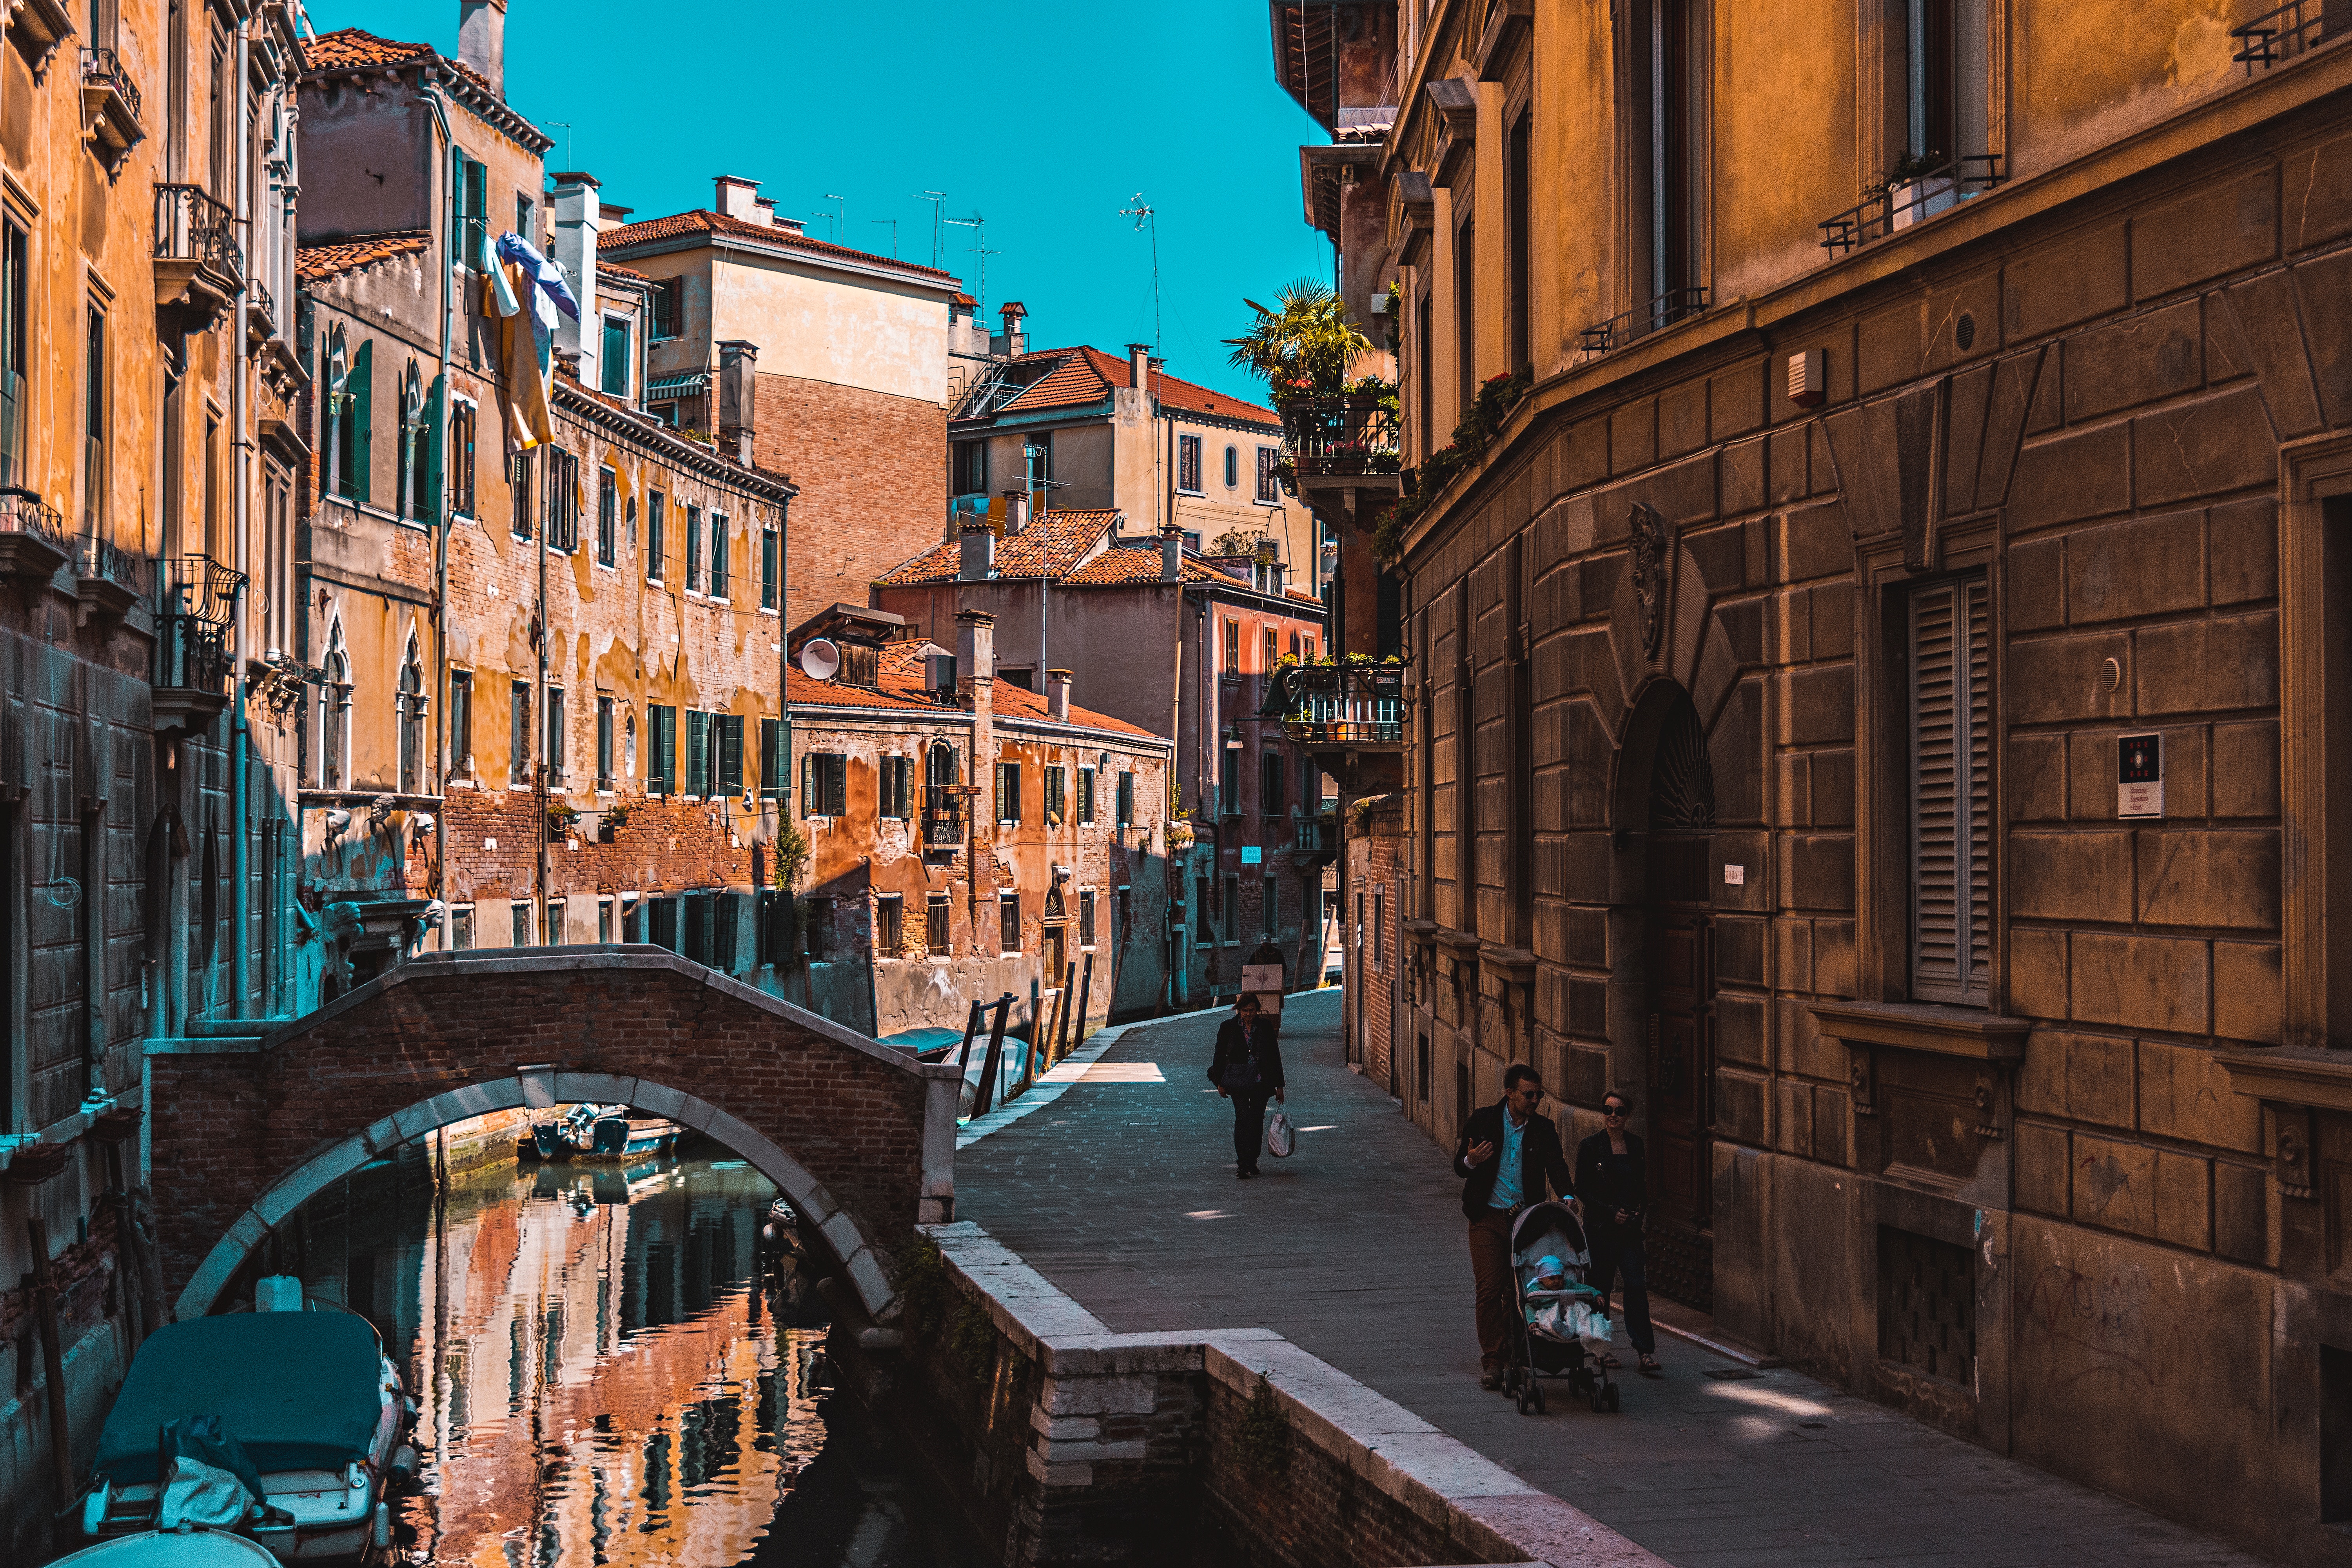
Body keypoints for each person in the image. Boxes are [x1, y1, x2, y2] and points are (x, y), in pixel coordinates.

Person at [1454, 1063, 1580, 1390]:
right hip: (1487, 1218)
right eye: (1528, 1094)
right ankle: (1494, 1360)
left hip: (1526, 1222)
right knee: (1490, 1289)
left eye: (1538, 1094)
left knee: (1519, 1291)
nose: (1535, 1100)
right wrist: (1472, 1161)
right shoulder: (1483, 1121)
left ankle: (1516, 1354)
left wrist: (1567, 1195)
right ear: (1510, 1093)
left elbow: (1557, 1165)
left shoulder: (1543, 1129)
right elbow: (1460, 1166)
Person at [1574, 1090, 1660, 1376]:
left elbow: (1642, 1186)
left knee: (1636, 1285)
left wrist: (1638, 1213)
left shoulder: (1635, 1145)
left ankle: (1645, 1351)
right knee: (1600, 1288)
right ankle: (1601, 1350)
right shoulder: (1591, 1146)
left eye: (1619, 1111)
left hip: (1629, 1231)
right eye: (1608, 1110)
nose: (1613, 1116)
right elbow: (1582, 1188)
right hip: (1601, 1228)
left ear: (1628, 1115)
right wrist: (1612, 1212)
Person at [1207, 994, 1285, 1179]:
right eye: (1244, 1011)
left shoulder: (1265, 1027)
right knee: (1242, 1118)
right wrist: (1219, 1083)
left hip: (1261, 1081)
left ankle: (1253, 1161)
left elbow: (1275, 1056)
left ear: (1257, 1010)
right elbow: (1219, 1057)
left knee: (1257, 1119)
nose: (1248, 1015)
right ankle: (1243, 1163)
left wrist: (1280, 1086)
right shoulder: (1228, 1028)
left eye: (1251, 1011)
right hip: (1238, 1081)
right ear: (1238, 1010)